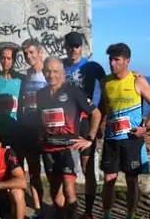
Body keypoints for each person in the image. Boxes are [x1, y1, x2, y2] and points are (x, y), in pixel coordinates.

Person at [99, 43, 150, 219]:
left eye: (116, 60)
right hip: (112, 139)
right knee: (108, 180)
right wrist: (96, 129)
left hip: (131, 139)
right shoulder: (105, 82)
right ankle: (107, 215)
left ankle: (131, 215)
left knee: (131, 180)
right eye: (110, 59)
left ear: (127, 61)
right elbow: (103, 108)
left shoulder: (138, 80)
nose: (112, 63)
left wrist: (146, 127)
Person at [36, 57, 102, 219]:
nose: (51, 75)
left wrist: (89, 138)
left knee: (68, 189)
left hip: (68, 148)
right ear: (44, 73)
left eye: (55, 71)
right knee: (54, 190)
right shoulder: (40, 94)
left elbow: (96, 113)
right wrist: (39, 135)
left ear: (63, 73)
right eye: (48, 71)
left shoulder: (73, 92)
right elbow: (40, 118)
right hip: (48, 149)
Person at [61, 32, 106, 219]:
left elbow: (107, 90)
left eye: (77, 46)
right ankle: (66, 209)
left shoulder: (92, 67)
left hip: (86, 121)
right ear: (65, 46)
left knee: (87, 168)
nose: (73, 49)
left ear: (82, 47)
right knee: (66, 167)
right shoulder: (60, 66)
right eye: (70, 45)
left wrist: (101, 117)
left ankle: (87, 212)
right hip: (66, 123)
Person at [17, 38, 48, 217]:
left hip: (47, 131)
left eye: (31, 52)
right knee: (34, 172)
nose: (28, 56)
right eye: (26, 54)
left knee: (53, 174)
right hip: (29, 130)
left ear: (40, 53)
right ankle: (38, 209)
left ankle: (59, 208)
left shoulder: (50, 73)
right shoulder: (26, 75)